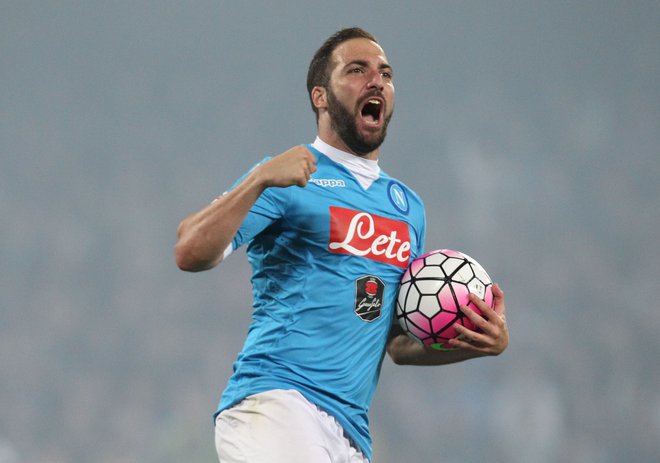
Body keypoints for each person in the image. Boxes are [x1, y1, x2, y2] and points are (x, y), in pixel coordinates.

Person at [175, 27, 508, 463]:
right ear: (320, 96)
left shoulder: (408, 209)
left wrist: (477, 341)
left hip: (350, 432)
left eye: (385, 74)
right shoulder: (289, 175)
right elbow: (189, 250)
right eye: (357, 70)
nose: (377, 81)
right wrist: (258, 180)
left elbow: (395, 343)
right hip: (278, 402)